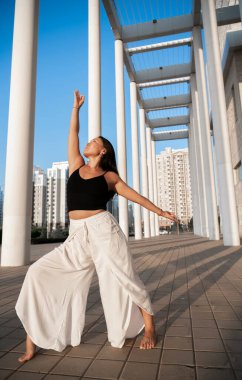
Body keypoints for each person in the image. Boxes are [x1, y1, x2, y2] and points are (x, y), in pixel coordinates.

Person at [15, 90, 178, 363]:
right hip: (77, 234)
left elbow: (135, 196)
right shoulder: (76, 165)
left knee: (123, 278)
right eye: (89, 140)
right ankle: (32, 341)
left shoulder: (110, 176)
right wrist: (75, 109)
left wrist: (160, 211)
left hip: (104, 230)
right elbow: (73, 134)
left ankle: (149, 327)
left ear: (102, 151)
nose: (89, 142)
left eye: (95, 141)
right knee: (37, 273)